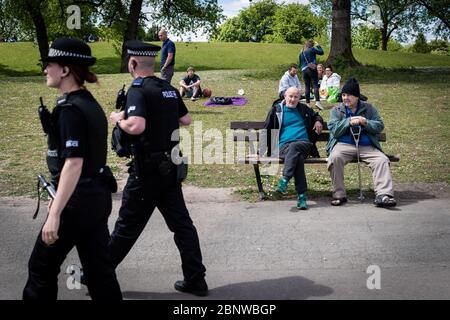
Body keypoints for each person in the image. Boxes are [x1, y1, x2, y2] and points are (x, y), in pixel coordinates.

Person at [23, 37, 122, 300]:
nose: (46, 70)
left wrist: (56, 212)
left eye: (50, 65)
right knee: (99, 272)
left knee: (40, 268)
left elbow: (74, 163)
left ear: (65, 70)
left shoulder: (69, 109)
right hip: (96, 197)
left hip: (77, 202)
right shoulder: (88, 103)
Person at [109, 40, 208, 296]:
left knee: (126, 227)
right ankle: (196, 279)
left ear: (132, 63)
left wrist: (119, 120)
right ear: (153, 63)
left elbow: (137, 126)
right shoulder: (168, 88)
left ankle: (96, 273)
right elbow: (186, 119)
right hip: (170, 167)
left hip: (147, 171)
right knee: (182, 226)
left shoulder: (138, 90)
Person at [326, 78, 397, 207]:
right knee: (335, 158)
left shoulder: (369, 108)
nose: (345, 98)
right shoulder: (336, 110)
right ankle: (339, 194)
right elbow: (334, 130)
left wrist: (365, 122)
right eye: (343, 95)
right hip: (343, 145)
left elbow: (379, 125)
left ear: (357, 96)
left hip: (366, 145)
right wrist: (348, 121)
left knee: (381, 160)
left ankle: (384, 195)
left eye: (349, 95)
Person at [263, 87, 323, 210]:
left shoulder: (304, 109)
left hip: (304, 144)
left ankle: (285, 179)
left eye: (296, 97)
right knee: (297, 157)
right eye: (290, 96)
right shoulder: (276, 110)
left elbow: (316, 115)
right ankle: (301, 196)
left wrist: (318, 121)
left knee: (295, 147)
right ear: (284, 96)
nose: (293, 99)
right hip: (283, 147)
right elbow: (266, 130)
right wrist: (260, 151)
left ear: (299, 98)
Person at [299, 39, 324, 110]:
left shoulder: (301, 52)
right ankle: (318, 102)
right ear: (312, 45)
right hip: (311, 69)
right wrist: (318, 45)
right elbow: (321, 52)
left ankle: (308, 104)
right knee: (315, 85)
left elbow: (300, 63)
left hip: (304, 70)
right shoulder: (312, 49)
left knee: (307, 87)